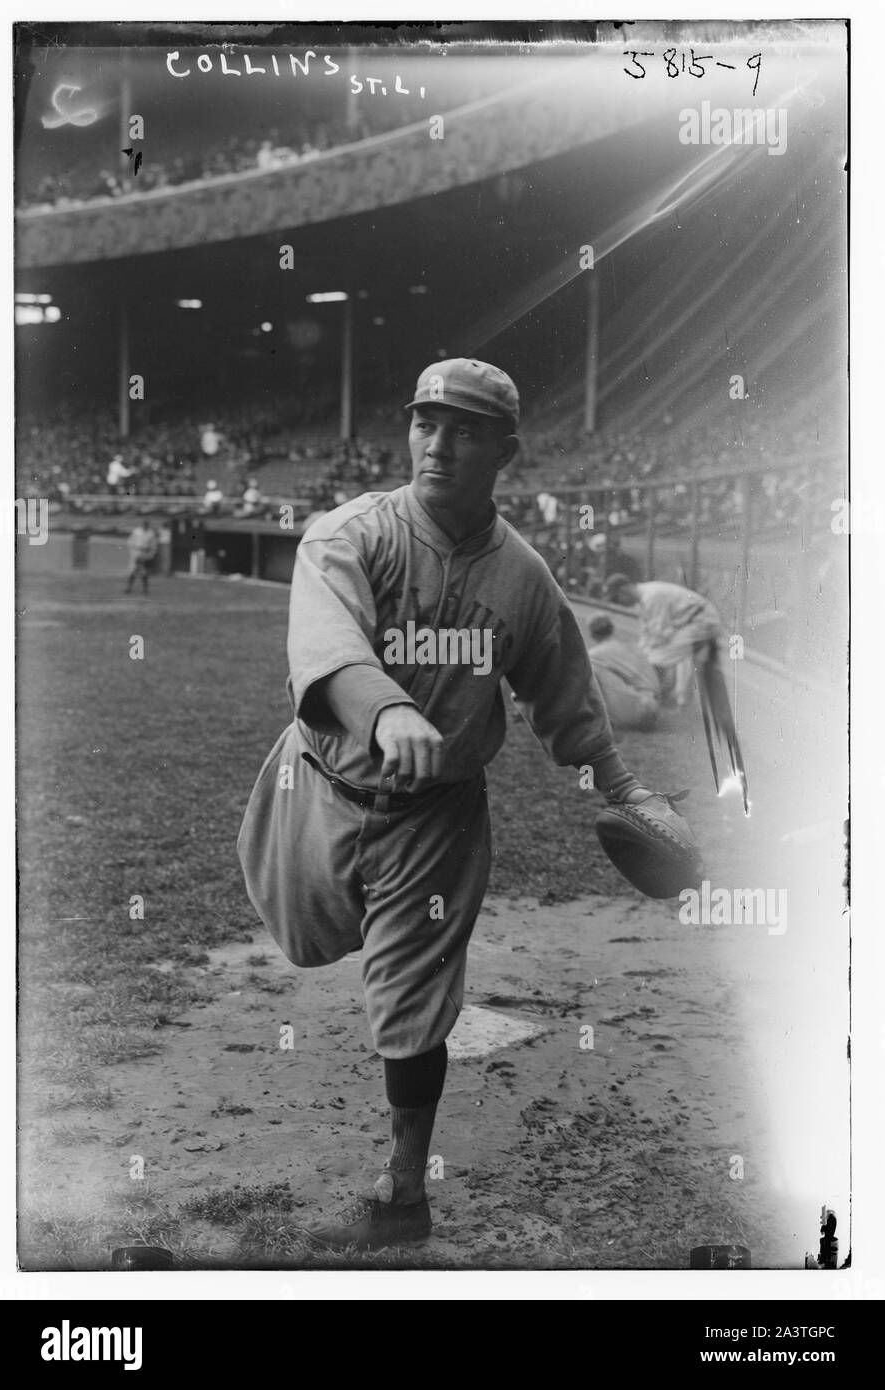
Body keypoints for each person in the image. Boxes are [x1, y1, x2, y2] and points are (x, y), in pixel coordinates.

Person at [237, 358, 696, 1251]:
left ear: (506, 451)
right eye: (425, 423)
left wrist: (623, 786)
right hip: (317, 785)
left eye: (465, 430)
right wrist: (388, 707)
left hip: (436, 819)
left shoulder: (522, 577)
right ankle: (354, 930)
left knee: (410, 1002)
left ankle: (404, 1191)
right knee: (303, 938)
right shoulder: (347, 534)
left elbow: (566, 697)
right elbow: (324, 647)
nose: (438, 444)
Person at [603, 575, 723, 708]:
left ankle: (656, 695)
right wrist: (640, 653)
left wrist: (643, 656)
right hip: (691, 621)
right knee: (664, 654)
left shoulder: (652, 596)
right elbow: (647, 633)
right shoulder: (644, 598)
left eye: (616, 598)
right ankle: (674, 697)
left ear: (624, 590)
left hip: (703, 620)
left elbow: (660, 634)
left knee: (658, 657)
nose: (617, 603)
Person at [586, 616, 660, 730]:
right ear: (612, 629)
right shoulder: (630, 645)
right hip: (653, 708)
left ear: (592, 634)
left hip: (638, 710)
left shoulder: (597, 654)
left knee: (592, 668)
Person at [124, 519, 158, 596]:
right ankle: (137, 588)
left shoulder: (151, 534)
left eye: (147, 524)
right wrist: (132, 551)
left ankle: (131, 588)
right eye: (144, 524)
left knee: (141, 571)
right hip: (136, 553)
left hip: (145, 554)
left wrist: (150, 554)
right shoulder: (137, 531)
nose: (145, 526)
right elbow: (130, 541)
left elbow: (153, 546)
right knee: (136, 571)